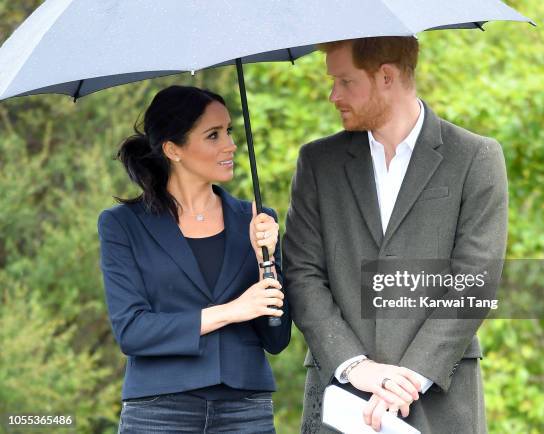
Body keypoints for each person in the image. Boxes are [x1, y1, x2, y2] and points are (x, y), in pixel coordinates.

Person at [283, 37, 507, 433]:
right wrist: (356, 367)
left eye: (345, 82)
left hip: (440, 399)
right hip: (342, 398)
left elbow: (475, 281)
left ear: (386, 76)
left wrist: (410, 378)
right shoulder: (318, 163)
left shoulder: (475, 157)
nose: (334, 95)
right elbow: (301, 274)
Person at [97, 85, 291, 433]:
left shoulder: (258, 219)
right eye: (213, 135)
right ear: (173, 149)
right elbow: (132, 331)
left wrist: (268, 263)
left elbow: (276, 339)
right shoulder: (123, 225)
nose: (230, 145)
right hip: (159, 409)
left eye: (229, 131)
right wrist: (232, 311)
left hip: (245, 410)